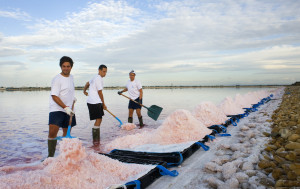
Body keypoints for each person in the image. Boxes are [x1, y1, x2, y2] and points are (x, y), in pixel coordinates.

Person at [48, 56, 76, 157]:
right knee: (52, 134)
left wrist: (73, 98)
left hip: (69, 110)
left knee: (66, 134)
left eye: (68, 66)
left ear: (71, 67)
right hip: (57, 109)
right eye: (64, 66)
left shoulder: (71, 77)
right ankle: (50, 157)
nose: (66, 68)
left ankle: (63, 156)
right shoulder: (57, 79)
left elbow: (68, 91)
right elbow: (54, 96)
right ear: (61, 66)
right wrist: (65, 107)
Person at [83, 65, 107, 144]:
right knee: (99, 119)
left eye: (106, 71)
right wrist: (104, 104)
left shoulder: (94, 77)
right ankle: (96, 140)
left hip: (92, 101)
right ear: (99, 70)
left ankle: (96, 140)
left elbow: (87, 83)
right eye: (103, 71)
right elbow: (100, 92)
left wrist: (84, 91)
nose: (105, 73)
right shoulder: (98, 78)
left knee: (99, 119)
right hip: (95, 101)